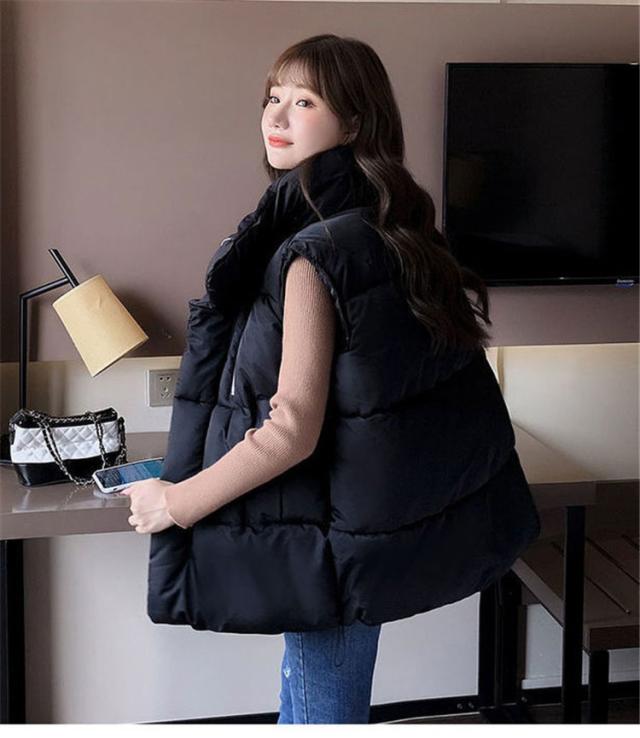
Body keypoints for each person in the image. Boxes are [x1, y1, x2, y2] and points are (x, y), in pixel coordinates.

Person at [122, 35, 540, 724]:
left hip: (330, 535)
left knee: (321, 713)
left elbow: (291, 430)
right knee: (312, 697)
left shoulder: (315, 253)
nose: (277, 116)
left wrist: (178, 502)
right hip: (355, 523)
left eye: (305, 101)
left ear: (352, 124)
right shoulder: (393, 227)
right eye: (273, 97)